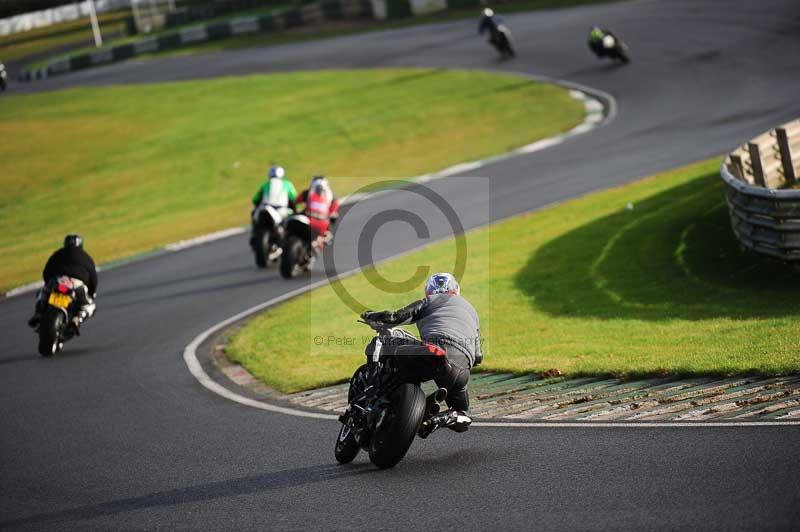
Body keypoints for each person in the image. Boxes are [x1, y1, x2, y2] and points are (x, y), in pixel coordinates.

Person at [361, 272, 482, 434]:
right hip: (460, 368)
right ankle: (442, 417)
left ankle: (371, 388)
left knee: (383, 340)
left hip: (434, 350)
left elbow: (395, 317)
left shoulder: (430, 301)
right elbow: (479, 357)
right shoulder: (472, 311)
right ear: (456, 290)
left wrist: (371, 316)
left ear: (429, 291)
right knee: (463, 412)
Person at [28, 234, 98, 332]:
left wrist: (48, 282)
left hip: (57, 280)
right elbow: (93, 277)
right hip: (76, 284)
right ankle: (77, 319)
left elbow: (47, 271)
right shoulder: (86, 257)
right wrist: (92, 292)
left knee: (42, 292)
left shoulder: (58, 253)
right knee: (90, 305)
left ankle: (38, 313)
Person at [296, 176, 339, 246]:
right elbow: (334, 212)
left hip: (308, 220)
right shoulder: (332, 196)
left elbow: (296, 201)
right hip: (323, 224)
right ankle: (324, 237)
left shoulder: (307, 192)